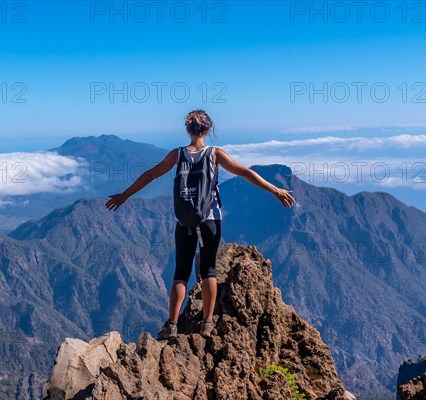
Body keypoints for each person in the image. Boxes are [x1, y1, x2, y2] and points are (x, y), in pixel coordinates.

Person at [105, 110, 295, 339]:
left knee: (181, 273)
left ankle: (172, 325)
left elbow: (150, 175)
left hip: (184, 220)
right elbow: (245, 172)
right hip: (210, 220)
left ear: (188, 130)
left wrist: (125, 195)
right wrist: (275, 190)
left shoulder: (177, 155)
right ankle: (207, 323)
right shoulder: (215, 154)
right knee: (208, 271)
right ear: (208, 129)